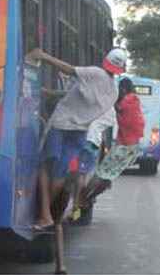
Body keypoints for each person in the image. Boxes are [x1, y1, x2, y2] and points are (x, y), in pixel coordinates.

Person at [27, 47, 125, 230]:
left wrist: (43, 56)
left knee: (44, 166)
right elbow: (77, 94)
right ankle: (48, 214)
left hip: (61, 126)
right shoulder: (113, 91)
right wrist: (52, 93)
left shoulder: (95, 73)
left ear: (106, 61)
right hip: (80, 133)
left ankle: (45, 214)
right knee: (60, 173)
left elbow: (69, 69)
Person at [80, 77, 145, 205]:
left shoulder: (128, 100)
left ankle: (83, 197)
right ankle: (89, 197)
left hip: (124, 147)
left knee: (101, 173)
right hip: (132, 147)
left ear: (123, 89)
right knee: (109, 176)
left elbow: (117, 106)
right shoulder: (134, 100)